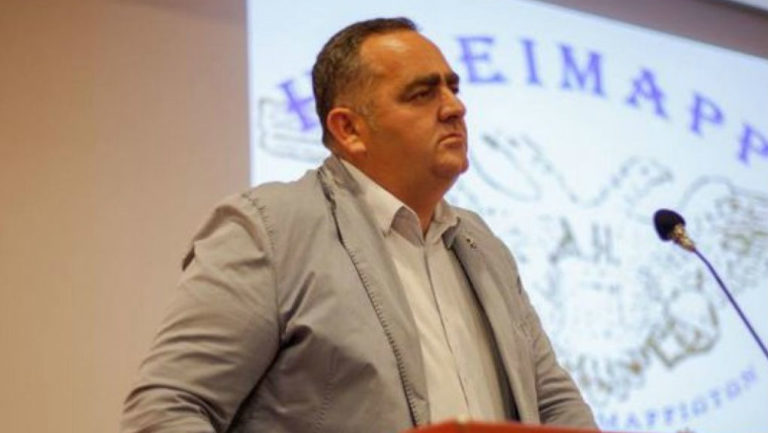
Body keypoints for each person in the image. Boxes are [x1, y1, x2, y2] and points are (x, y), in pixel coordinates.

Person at [121, 17, 597, 433]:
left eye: (453, 88)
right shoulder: (269, 230)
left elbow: (552, 403)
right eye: (422, 94)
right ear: (349, 129)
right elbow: (167, 408)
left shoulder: (481, 244)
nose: (455, 107)